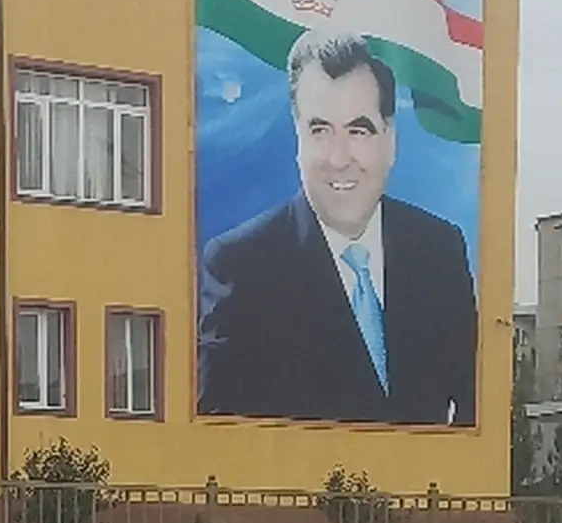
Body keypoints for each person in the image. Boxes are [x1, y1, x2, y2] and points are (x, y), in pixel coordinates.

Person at [198, 31, 478, 427]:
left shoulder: (439, 250)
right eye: (320, 130)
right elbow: (220, 430)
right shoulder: (241, 267)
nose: (339, 158)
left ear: (390, 140)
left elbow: (474, 403)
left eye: (358, 130)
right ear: (297, 139)